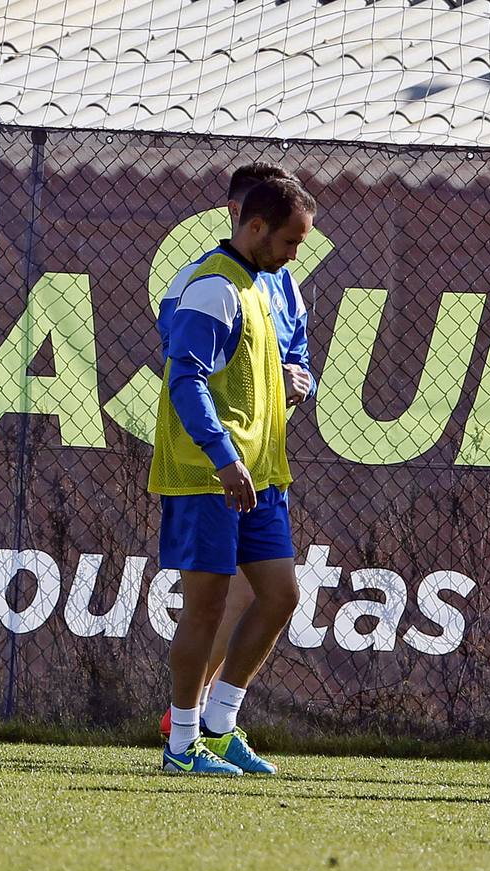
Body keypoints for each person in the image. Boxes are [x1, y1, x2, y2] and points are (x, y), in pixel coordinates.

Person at [149, 174, 316, 775]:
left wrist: (300, 383)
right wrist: (224, 457)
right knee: (205, 608)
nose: (296, 253)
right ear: (254, 226)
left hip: (261, 473)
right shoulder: (213, 286)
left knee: (280, 596)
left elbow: (288, 364)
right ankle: (180, 744)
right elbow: (185, 380)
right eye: (292, 240)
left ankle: (221, 726)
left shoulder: (265, 284)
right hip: (210, 474)